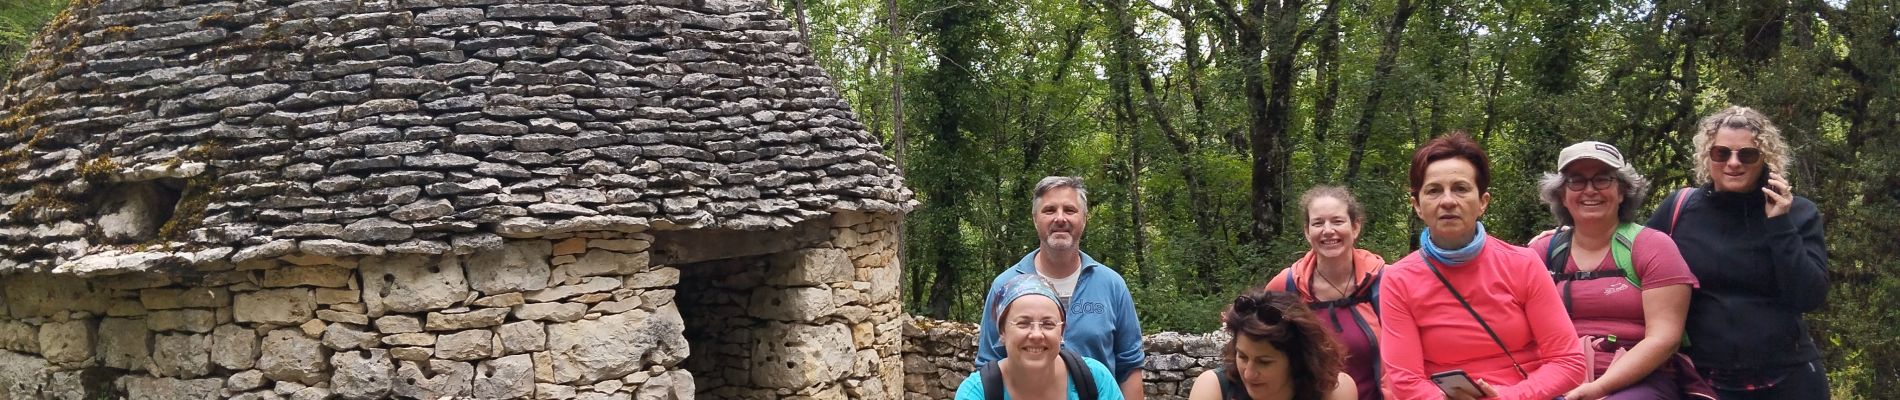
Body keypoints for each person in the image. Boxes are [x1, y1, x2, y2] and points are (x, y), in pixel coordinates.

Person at [1379, 132, 1587, 400]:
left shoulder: (1522, 264)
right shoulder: (1398, 280)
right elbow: (1406, 381)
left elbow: (1567, 361)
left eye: (1461, 188)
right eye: (1433, 190)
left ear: (1482, 202)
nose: (1448, 200)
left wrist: (1512, 396)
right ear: (1417, 206)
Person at [1646, 106, 1829, 399]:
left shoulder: (1798, 213)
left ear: (1765, 160)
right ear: (1708, 156)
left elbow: (1809, 296)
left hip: (1789, 380)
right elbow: (1630, 259)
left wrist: (1780, 224)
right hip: (1702, 382)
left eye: (1747, 154)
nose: (1733, 163)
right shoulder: (1680, 209)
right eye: (1721, 153)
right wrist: (1575, 236)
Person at [1527, 141, 1701, 399]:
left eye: (1602, 180)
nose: (1589, 190)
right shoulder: (1543, 251)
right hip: (1557, 372)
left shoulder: (1652, 246)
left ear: (1621, 191)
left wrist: (1599, 389)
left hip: (1640, 379)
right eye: (1576, 181)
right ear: (1562, 195)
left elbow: (1665, 338)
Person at [977, 176, 1146, 399]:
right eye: (1049, 210)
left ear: (1084, 219)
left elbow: (1129, 366)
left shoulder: (1112, 285)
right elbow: (988, 366)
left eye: (1069, 210)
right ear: (1035, 219)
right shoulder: (1005, 286)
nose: (1060, 218)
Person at [1266, 185, 1387, 400]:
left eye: (1337, 221)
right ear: (1307, 231)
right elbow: (1255, 343)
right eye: (1318, 223)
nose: (1328, 230)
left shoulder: (1385, 281)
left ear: (1355, 227)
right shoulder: (1286, 285)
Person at [958, 275, 1125, 400]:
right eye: (1023, 323)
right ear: (1002, 331)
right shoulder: (977, 392)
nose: (1037, 335)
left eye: (1048, 324)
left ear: (1062, 331)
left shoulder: (1096, 379)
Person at [1188, 289, 1357, 400]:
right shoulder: (1214, 388)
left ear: (1296, 359)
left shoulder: (1335, 390)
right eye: (1243, 356)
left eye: (1264, 362)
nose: (1248, 373)